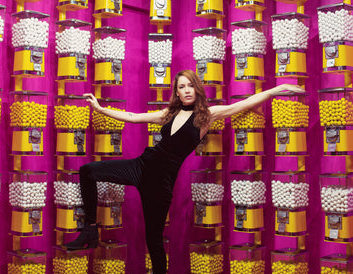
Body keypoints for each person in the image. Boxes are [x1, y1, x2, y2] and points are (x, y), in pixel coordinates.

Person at [64, 69, 304, 273]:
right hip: (141, 166)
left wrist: (275, 90)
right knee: (87, 171)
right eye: (182, 86)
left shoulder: (207, 115)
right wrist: (100, 109)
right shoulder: (168, 114)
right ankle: (90, 229)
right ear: (176, 92)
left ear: (196, 89)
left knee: (154, 240)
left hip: (161, 183)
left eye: (190, 85)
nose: (187, 90)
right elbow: (131, 116)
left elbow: (241, 105)